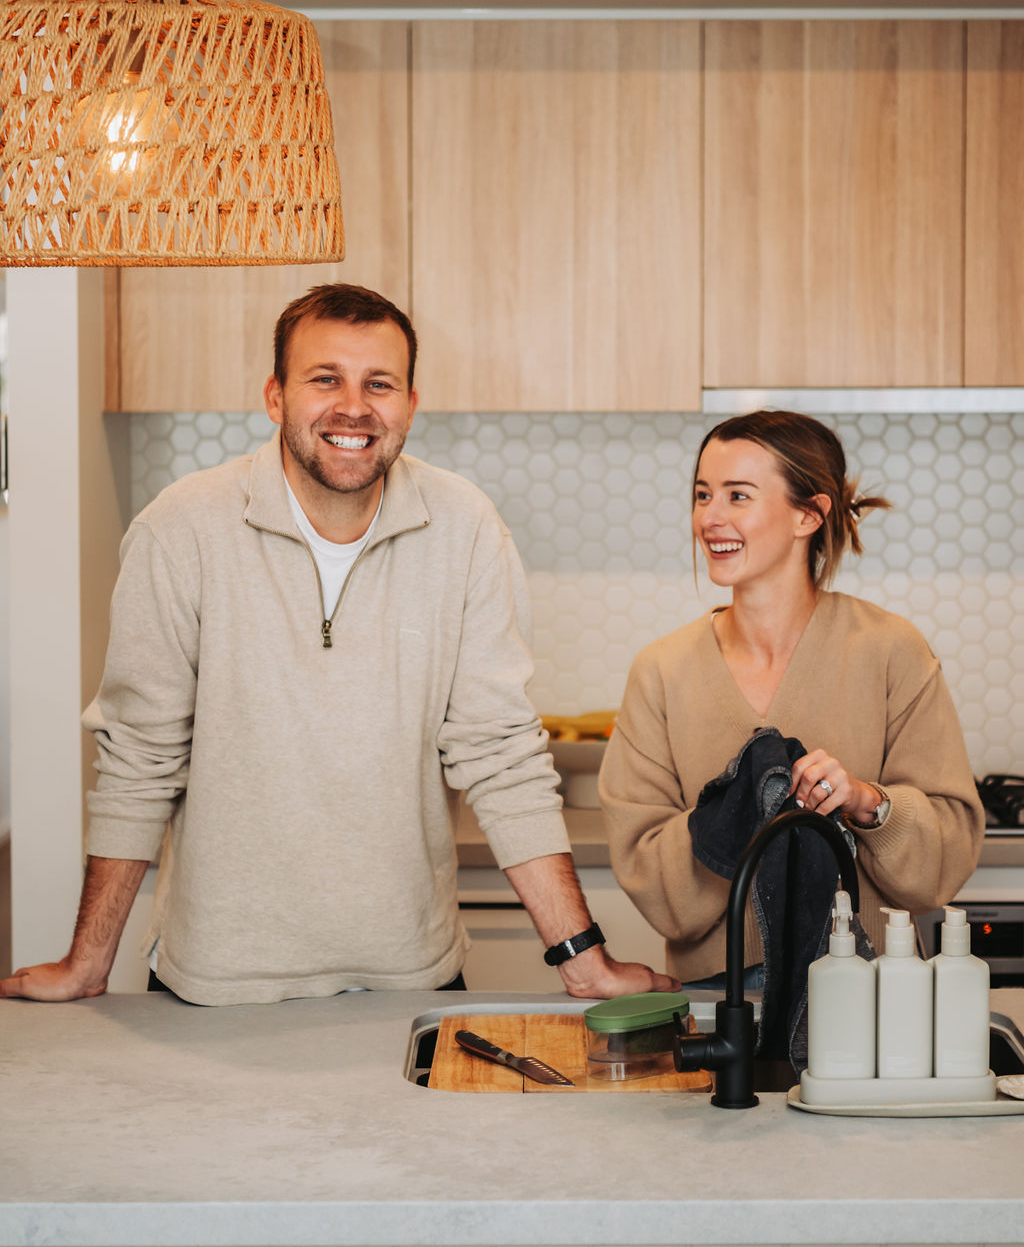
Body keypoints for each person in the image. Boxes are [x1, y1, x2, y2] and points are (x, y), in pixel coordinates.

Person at [2, 283, 674, 1007]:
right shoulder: (182, 529)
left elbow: (501, 754)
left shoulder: (466, 528)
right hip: (218, 983)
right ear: (275, 397)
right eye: (325, 378)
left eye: (378, 384)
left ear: (410, 405)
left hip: (411, 979)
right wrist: (86, 964)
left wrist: (582, 959)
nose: (353, 407)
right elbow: (139, 759)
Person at [598, 409, 985, 988]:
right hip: (719, 995)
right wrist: (731, 811)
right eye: (703, 495)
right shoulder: (662, 671)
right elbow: (646, 872)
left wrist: (866, 802)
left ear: (809, 513)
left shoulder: (890, 651)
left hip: (870, 989)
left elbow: (946, 854)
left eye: (738, 496)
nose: (711, 518)